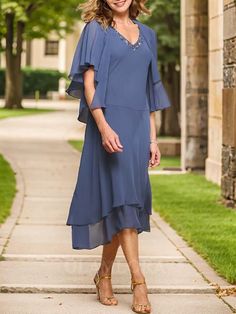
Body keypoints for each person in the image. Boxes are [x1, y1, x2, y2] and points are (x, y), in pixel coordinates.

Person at [66, 0, 171, 313]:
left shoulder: (148, 35)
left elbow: (150, 92)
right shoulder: (95, 30)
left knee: (123, 202)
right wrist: (103, 126)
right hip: (108, 124)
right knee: (124, 201)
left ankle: (104, 274)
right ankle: (139, 279)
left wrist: (153, 139)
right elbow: (89, 84)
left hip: (138, 127)